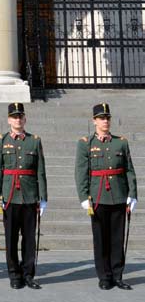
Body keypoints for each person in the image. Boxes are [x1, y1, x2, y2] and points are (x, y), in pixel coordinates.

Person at [75, 103, 137, 290]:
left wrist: (132, 194)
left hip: (118, 195)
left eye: (107, 118)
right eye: (101, 118)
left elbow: (129, 170)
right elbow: (81, 172)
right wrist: (84, 197)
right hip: (98, 196)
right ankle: (104, 276)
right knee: (101, 239)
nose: (105, 121)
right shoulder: (86, 143)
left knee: (117, 238)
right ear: (94, 121)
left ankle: (117, 275)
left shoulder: (121, 142)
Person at [0, 103, 47, 289]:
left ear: (25, 119)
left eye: (20, 116)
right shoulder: (1, 140)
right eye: (14, 116)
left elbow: (40, 171)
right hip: (9, 196)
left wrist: (43, 197)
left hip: (30, 196)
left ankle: (28, 274)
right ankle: (14, 275)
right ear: (9, 120)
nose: (17, 120)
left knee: (29, 239)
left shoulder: (34, 141)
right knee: (11, 238)